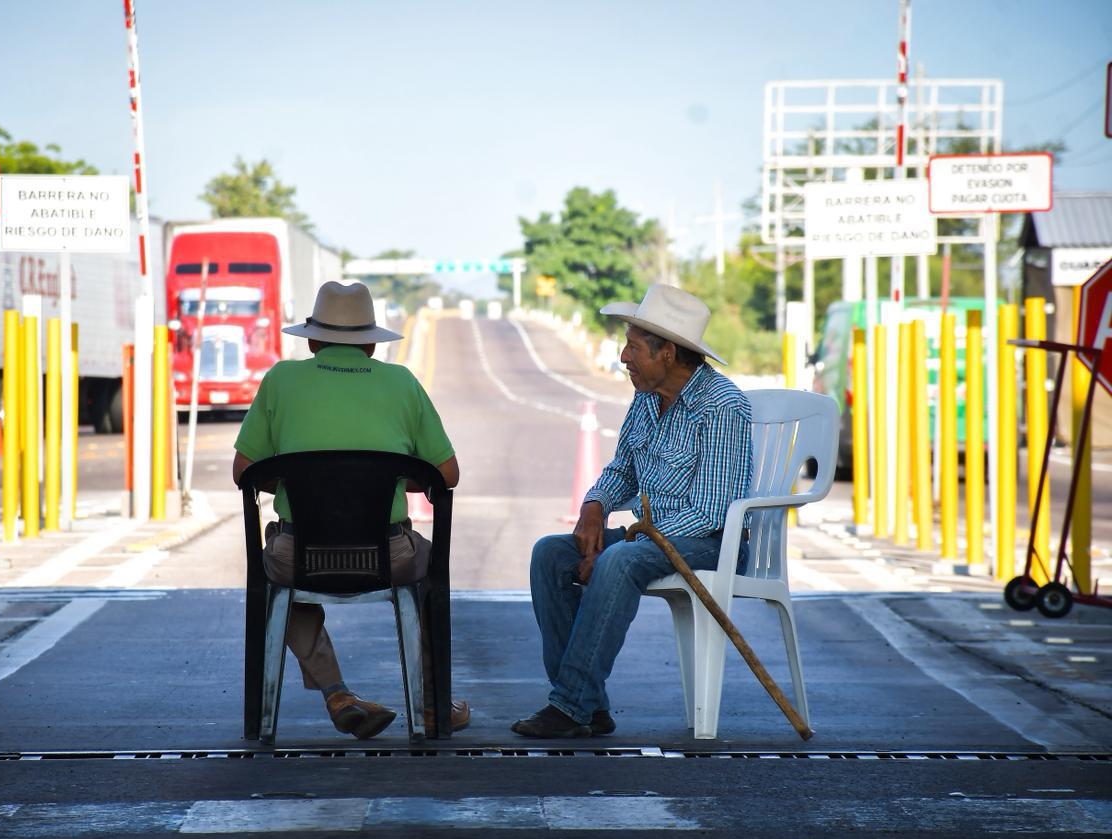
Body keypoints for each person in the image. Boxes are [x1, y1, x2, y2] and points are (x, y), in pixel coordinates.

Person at [232, 280, 470, 739]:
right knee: (426, 570)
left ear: (312, 341)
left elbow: (245, 471)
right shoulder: (402, 383)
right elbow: (448, 474)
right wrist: (387, 479)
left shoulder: (280, 379)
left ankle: (336, 692)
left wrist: (306, 482)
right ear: (371, 345)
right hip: (388, 556)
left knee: (274, 566)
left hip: (299, 554)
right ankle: (431, 704)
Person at [512, 284, 752, 738]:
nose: (623, 357)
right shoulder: (646, 397)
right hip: (650, 537)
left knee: (619, 559)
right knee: (550, 554)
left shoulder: (722, 406)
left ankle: (570, 705)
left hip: (710, 543)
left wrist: (627, 541)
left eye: (634, 347)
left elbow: (710, 512)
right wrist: (595, 505)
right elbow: (623, 468)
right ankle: (589, 707)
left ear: (668, 354)